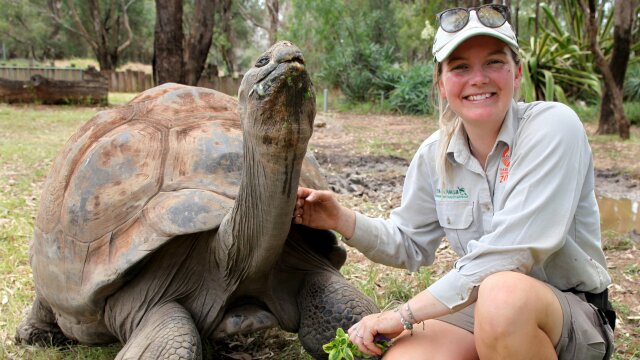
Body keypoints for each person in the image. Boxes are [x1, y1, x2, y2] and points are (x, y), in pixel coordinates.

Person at [293, 4, 615, 360]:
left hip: (570, 313)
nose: (478, 78)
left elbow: (510, 254)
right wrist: (342, 219)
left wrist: (404, 314)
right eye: (460, 67)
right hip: (479, 308)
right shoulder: (435, 155)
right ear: (442, 84)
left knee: (502, 296)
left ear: (517, 73)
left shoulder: (554, 128)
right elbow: (409, 242)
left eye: (494, 62)